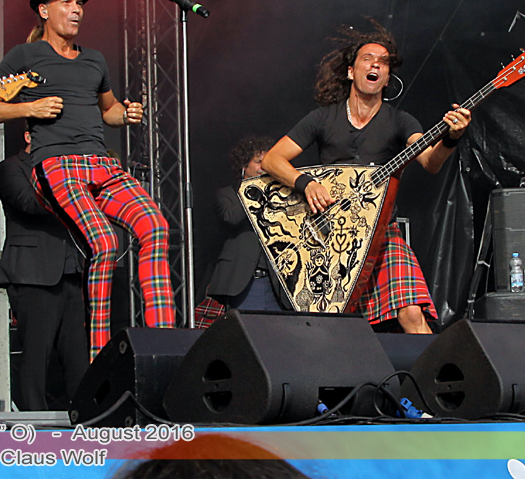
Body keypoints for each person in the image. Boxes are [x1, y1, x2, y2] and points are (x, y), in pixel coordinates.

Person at [0, 0, 175, 358]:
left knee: (155, 226)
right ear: (44, 11)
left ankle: (162, 346)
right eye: (66, 2)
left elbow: (108, 110)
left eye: (79, 3)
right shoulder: (24, 56)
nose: (76, 10)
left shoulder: (94, 60)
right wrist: (28, 107)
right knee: (103, 241)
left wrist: (126, 112)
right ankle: (101, 357)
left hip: (101, 163)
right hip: (56, 163)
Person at [261, 23, 470, 334]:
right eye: (368, 58)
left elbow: (430, 161)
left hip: (382, 234)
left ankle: (432, 382)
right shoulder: (322, 118)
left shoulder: (401, 121)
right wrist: (306, 184)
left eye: (383, 63)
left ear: (387, 78)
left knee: (412, 313)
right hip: (328, 237)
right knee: (330, 328)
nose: (376, 65)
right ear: (351, 72)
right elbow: (272, 159)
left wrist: (451, 138)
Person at [0, 128, 88, 410]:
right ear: (27, 136)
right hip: (33, 273)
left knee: (78, 357)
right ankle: (34, 422)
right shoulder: (11, 167)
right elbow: (28, 203)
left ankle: (84, 414)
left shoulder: (62, 169)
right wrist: (71, 191)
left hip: (71, 270)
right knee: (37, 356)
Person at [195, 136, 290, 329]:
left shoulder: (279, 195)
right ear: (244, 165)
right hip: (245, 283)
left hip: (276, 284)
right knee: (247, 336)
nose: (263, 167)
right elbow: (231, 218)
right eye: (258, 162)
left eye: (267, 162)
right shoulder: (228, 194)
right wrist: (253, 190)